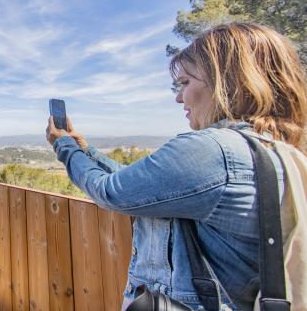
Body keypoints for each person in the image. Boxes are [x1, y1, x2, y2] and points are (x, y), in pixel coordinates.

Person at [46, 23, 307, 310]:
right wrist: (87, 151)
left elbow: (111, 191)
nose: (178, 97)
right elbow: (142, 184)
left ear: (228, 82)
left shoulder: (213, 151)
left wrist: (65, 147)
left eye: (185, 83)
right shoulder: (270, 150)